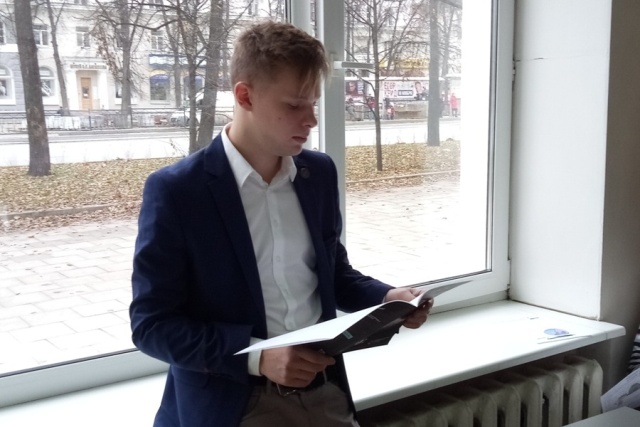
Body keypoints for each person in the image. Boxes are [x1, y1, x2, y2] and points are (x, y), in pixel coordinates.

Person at [130, 21, 432, 427]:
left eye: (314, 104)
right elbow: (152, 326)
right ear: (245, 96)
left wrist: (387, 299)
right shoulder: (179, 191)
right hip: (233, 404)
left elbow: (331, 273)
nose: (311, 120)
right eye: (294, 105)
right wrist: (258, 357)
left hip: (324, 390)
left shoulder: (318, 174)